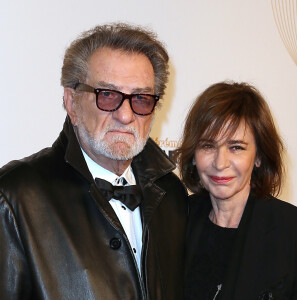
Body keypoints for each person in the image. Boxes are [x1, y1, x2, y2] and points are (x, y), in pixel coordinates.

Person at [0, 23, 188, 300]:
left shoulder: (171, 194)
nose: (125, 115)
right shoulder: (15, 196)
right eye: (108, 95)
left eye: (141, 98)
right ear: (72, 103)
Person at [176, 81, 297, 299]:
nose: (220, 162)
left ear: (259, 156)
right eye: (208, 145)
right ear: (194, 154)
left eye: (236, 147)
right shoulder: (175, 220)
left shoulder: (293, 230)